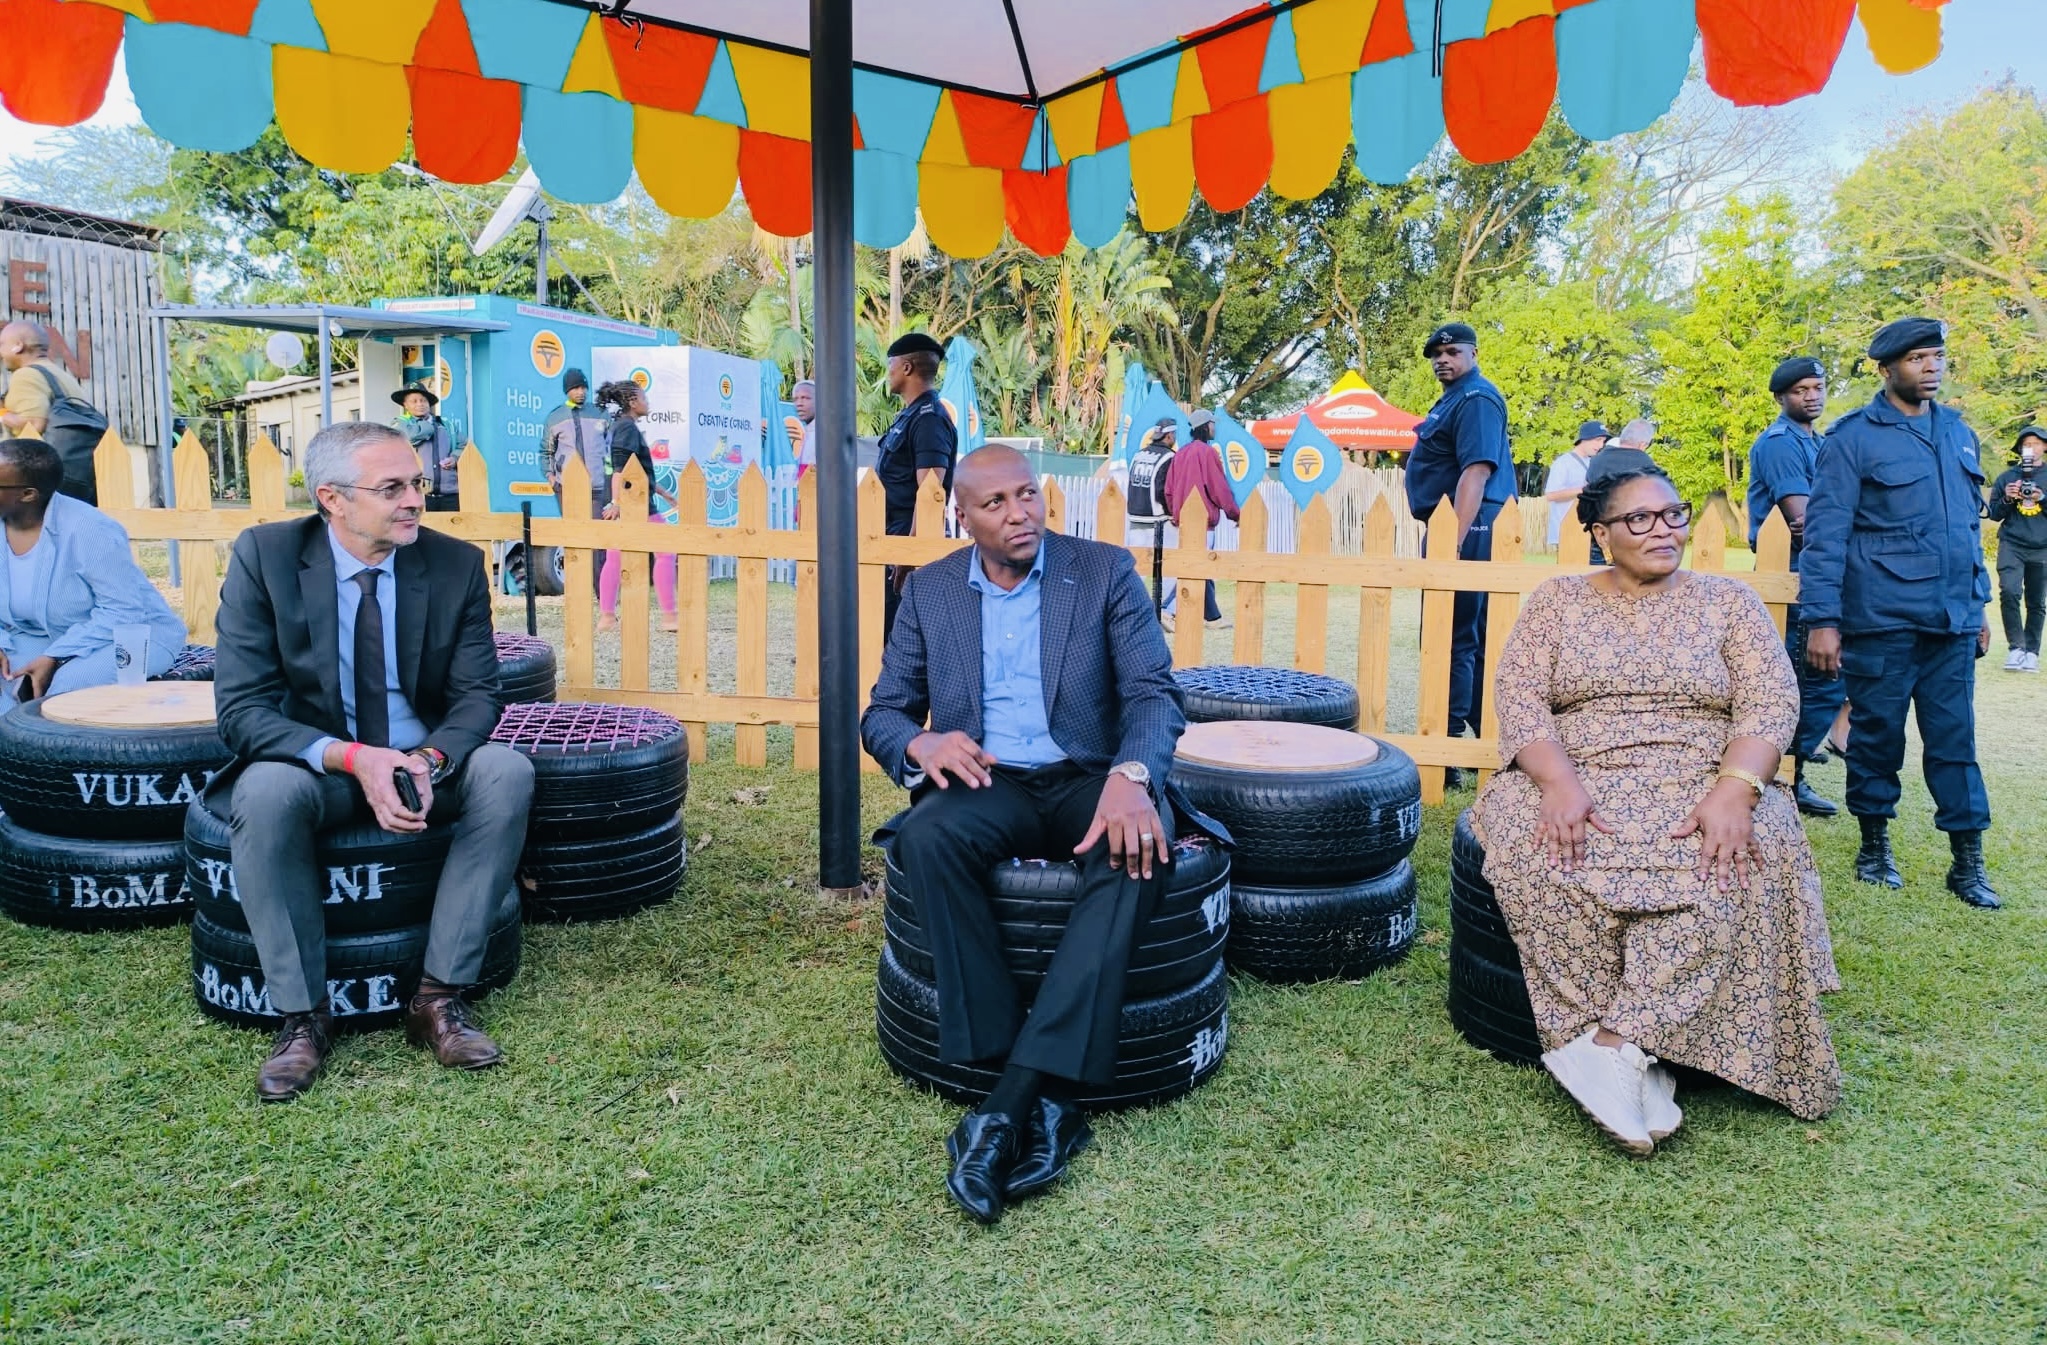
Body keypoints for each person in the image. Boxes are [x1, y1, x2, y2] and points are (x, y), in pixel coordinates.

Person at [862, 444, 1223, 1225]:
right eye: (996, 503)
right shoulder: (929, 591)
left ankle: (1008, 1103)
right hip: (990, 779)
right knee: (925, 839)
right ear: (965, 516)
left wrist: (1132, 779)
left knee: (1136, 849)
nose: (1019, 511)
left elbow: (1154, 694)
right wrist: (919, 745)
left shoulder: (1101, 571)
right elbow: (883, 710)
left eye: (1028, 494)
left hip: (1089, 771)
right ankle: (1041, 1091)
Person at [1471, 460, 1840, 1154]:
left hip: (1704, 767)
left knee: (1735, 860)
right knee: (1540, 850)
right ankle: (1634, 1054)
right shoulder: (1557, 602)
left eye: (1671, 513)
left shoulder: (1727, 603)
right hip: (1576, 765)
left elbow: (1770, 698)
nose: (1662, 530)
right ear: (1599, 533)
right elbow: (1519, 698)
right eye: (1637, 519)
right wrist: (1557, 782)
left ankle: (1615, 1043)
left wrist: (1736, 787)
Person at [210, 421, 535, 1102]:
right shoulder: (265, 557)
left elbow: (479, 694)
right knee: (263, 793)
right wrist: (352, 757)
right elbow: (242, 710)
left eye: (418, 483)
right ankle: (302, 1017)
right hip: (321, 767)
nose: (415, 499)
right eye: (392, 488)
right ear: (331, 498)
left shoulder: (451, 564)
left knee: (506, 770)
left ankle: (438, 1000)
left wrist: (429, 755)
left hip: (423, 764)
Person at [1801, 317, 1999, 909]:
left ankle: (1967, 863)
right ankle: (1874, 846)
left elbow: (1967, 530)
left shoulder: (1959, 433)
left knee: (1954, 743)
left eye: (1937, 357)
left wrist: (1980, 605)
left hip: (1952, 623)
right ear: (1887, 369)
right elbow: (1826, 536)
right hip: (1881, 620)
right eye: (1917, 359)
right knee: (1877, 738)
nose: (1931, 367)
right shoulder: (1853, 438)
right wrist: (1822, 621)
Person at [0, 436, 184, 708]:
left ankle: (45, 749)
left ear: (28, 494)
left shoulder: (90, 530)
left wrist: (56, 656)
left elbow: (123, 612)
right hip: (40, 634)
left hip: (130, 635)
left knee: (67, 688)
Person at [1407, 322, 1515, 782]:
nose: (1442, 359)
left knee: (1455, 637)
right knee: (1453, 635)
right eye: (1436, 354)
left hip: (1471, 527)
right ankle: (1470, 733)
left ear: (1472, 353)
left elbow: (1476, 471)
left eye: (1451, 351)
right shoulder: (1453, 398)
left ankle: (1448, 749)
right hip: (1457, 526)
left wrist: (1453, 540)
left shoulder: (1476, 399)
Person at [1746, 356, 1847, 819]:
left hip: (1818, 573)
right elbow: (1803, 520)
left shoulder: (1819, 441)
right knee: (1801, 679)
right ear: (1781, 397)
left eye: (1818, 387)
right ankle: (1787, 776)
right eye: (1802, 389)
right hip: (1790, 572)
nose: (1812, 395)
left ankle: (1794, 770)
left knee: (1824, 679)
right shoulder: (1780, 444)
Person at [876, 333, 958, 636]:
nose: (889, 373)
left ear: (907, 368)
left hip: (905, 543)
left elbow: (930, 496)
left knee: (900, 641)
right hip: (890, 540)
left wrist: (908, 556)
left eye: (891, 366)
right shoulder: (908, 417)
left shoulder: (929, 420)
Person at [594, 380, 679, 635]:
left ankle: (607, 617)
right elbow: (620, 470)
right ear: (633, 402)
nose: (647, 402)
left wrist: (665, 494)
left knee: (614, 558)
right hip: (636, 507)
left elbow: (639, 472)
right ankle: (669, 617)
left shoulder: (621, 426)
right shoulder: (627, 429)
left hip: (636, 503)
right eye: (644, 397)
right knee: (666, 553)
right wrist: (617, 503)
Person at [1160, 409, 1239, 630]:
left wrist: (1176, 513)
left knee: (1201, 567)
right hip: (1204, 522)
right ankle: (1165, 609)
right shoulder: (1207, 453)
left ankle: (1211, 617)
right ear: (1205, 426)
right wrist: (1235, 513)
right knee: (1196, 567)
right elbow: (1219, 489)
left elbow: (1168, 489)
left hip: (1182, 520)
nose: (1215, 427)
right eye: (1213, 423)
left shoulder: (1181, 453)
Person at [0, 321, 93, 501]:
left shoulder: (26, 375)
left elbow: (33, 424)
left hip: (34, 481)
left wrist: (2, 415)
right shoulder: (60, 375)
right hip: (74, 474)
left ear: (18, 346)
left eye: (2, 344)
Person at [1986, 426, 2047, 673]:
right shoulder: (2007, 477)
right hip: (2012, 543)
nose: (2030, 448)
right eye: (2025, 444)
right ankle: (2016, 648)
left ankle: (2031, 651)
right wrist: (2009, 498)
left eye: (2035, 443)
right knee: (2009, 593)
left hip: (2042, 547)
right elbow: (1994, 514)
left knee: (2036, 601)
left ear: (2045, 447)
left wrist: (2042, 497)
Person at [545, 367, 609, 517]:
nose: (581, 392)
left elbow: (610, 446)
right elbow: (546, 451)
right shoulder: (555, 417)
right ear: (567, 391)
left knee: (594, 534)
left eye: (583, 387)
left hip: (596, 486)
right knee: (572, 535)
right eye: (575, 388)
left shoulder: (600, 413)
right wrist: (551, 477)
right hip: (566, 486)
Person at [392, 383, 458, 513]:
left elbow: (464, 445)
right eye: (414, 401)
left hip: (450, 494)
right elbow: (411, 436)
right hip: (419, 494)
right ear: (405, 405)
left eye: (423, 400)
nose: (419, 404)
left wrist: (454, 458)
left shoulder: (445, 425)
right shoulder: (400, 423)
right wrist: (427, 423)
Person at [1543, 421, 1609, 549]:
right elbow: (1551, 495)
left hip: (1588, 531)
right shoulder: (1563, 463)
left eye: (1603, 441)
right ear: (1585, 438)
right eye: (1598, 440)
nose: (1601, 445)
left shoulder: (1593, 463)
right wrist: (1584, 490)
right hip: (1566, 531)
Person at [790, 379, 817, 480]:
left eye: (805, 398)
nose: (799, 403)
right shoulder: (807, 433)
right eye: (795, 399)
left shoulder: (826, 434)